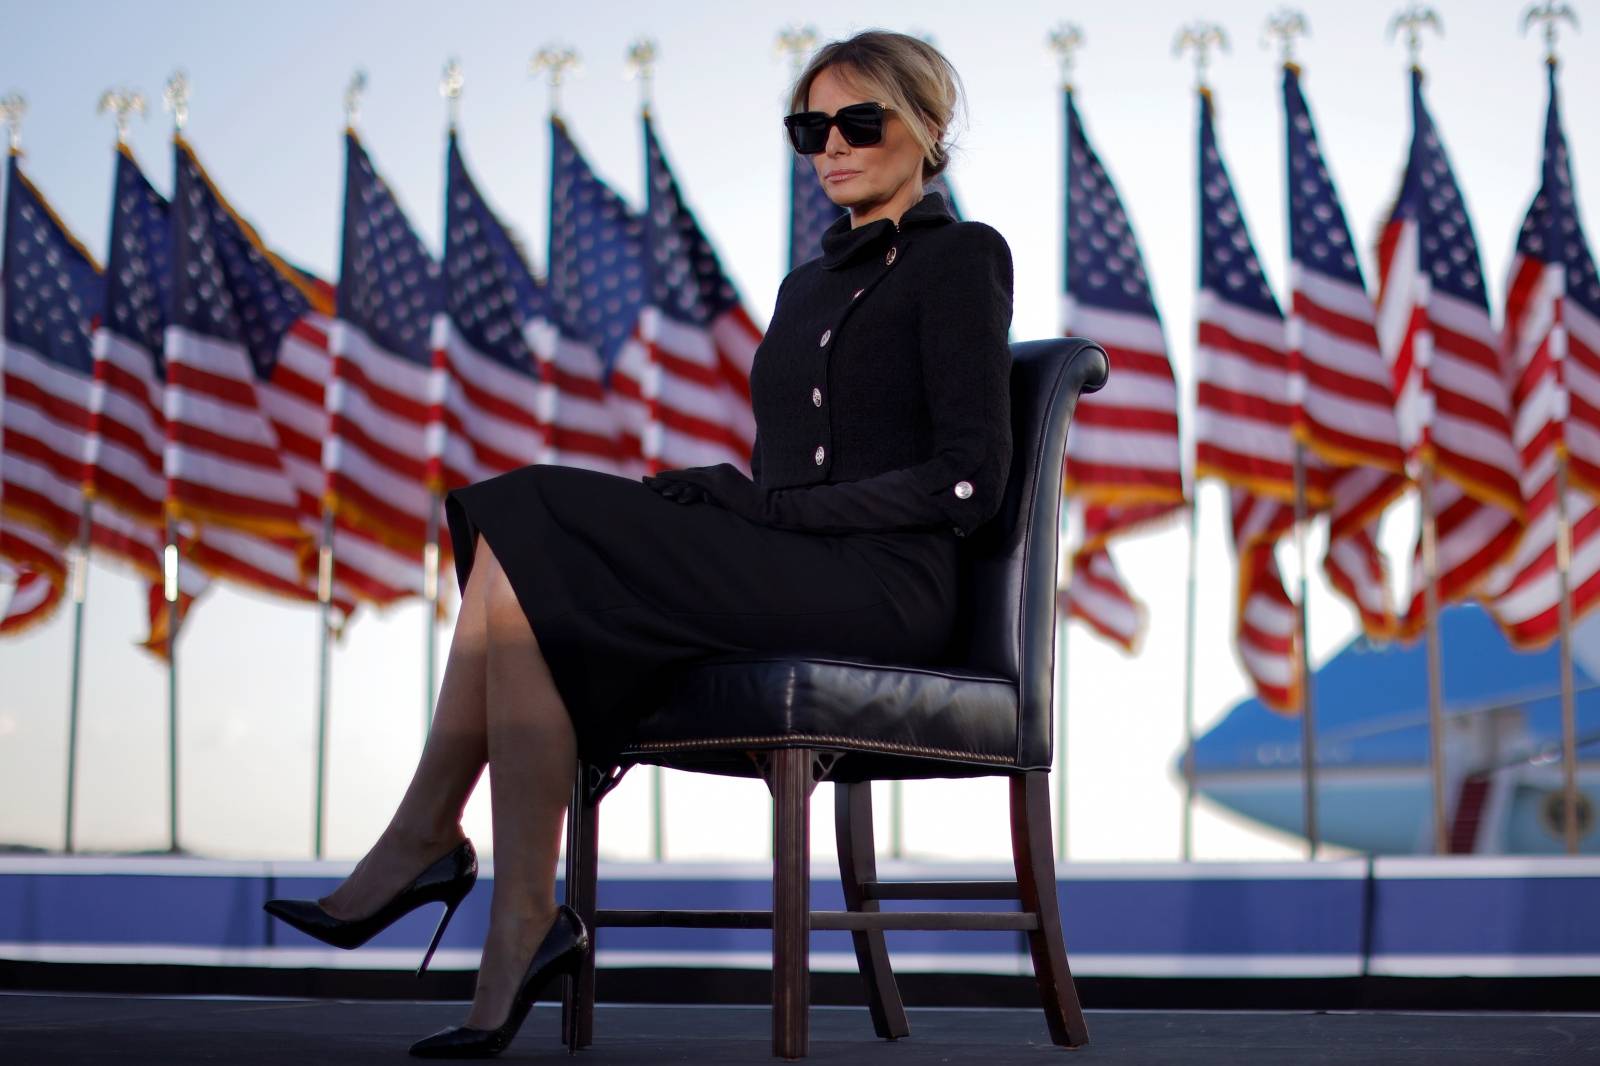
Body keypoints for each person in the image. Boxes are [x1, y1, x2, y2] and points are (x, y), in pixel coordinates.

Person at [264, 28, 1015, 1059]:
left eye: (858, 121)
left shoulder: (962, 258)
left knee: (526, 507)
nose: (830, 145)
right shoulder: (805, 290)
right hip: (793, 570)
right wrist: (750, 508)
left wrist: (765, 511)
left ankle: (432, 843)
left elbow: (969, 479)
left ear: (926, 128)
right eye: (810, 127)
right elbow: (793, 478)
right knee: (516, 561)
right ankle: (520, 919)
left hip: (887, 591)